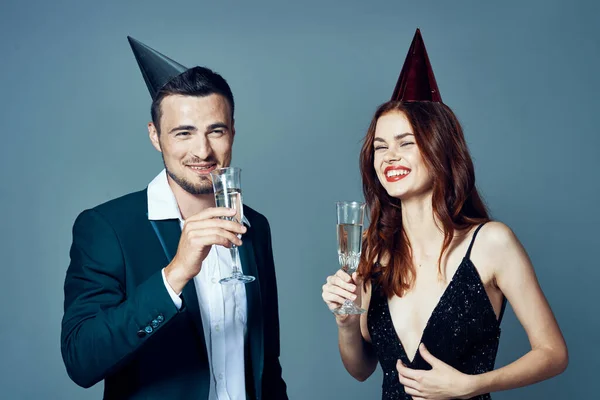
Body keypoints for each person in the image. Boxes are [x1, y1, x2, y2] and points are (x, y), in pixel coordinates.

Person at [321, 29, 567, 399]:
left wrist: (472, 385)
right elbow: (361, 370)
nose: (390, 157)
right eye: (380, 147)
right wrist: (345, 323)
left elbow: (553, 353)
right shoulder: (373, 251)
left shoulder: (491, 243)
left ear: (440, 151)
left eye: (407, 143)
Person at [61, 37, 287, 400]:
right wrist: (175, 274)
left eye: (216, 130)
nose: (203, 151)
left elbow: (267, 365)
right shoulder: (108, 228)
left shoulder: (254, 226)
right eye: (184, 133)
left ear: (232, 132)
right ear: (155, 136)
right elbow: (81, 360)